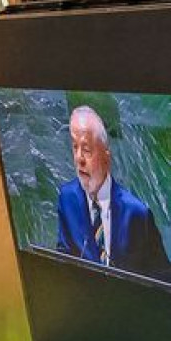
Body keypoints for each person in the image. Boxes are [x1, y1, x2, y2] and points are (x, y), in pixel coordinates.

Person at [54, 104, 170, 282]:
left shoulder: (137, 214)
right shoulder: (66, 198)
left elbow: (163, 280)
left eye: (86, 150)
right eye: (74, 147)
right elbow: (62, 257)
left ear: (106, 156)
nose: (78, 158)